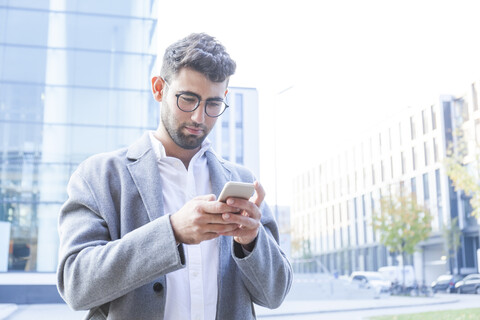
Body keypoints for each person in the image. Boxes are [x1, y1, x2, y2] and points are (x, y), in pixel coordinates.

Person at [56, 33, 292, 320]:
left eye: (213, 104)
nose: (199, 118)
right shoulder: (100, 176)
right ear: (158, 89)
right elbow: (76, 285)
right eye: (188, 99)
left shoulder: (241, 180)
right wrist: (172, 232)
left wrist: (253, 242)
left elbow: (275, 294)